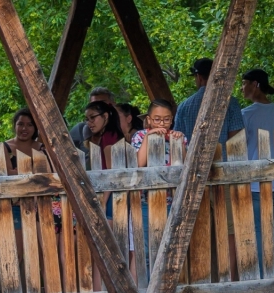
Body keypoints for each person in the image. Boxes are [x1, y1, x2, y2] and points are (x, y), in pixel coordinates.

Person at [241, 68, 274, 278]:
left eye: (244, 83)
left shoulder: (246, 114)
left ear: (256, 85)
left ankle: (265, 276)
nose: (242, 88)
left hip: (255, 184)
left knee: (260, 232)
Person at [131, 100, 186, 269]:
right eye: (157, 119)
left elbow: (187, 165)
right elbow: (139, 163)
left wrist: (178, 143)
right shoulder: (140, 136)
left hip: (173, 201)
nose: (162, 123)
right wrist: (149, 136)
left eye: (166, 119)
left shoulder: (179, 137)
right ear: (148, 119)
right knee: (148, 250)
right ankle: (148, 291)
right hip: (147, 201)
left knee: (173, 249)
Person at [3, 107, 46, 260]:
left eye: (29, 125)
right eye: (20, 124)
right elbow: (6, 175)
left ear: (35, 128)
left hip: (39, 207)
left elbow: (46, 175)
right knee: (16, 254)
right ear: (14, 125)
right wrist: (31, 173)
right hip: (13, 207)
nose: (24, 128)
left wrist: (19, 172)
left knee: (40, 254)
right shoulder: (5, 148)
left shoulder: (41, 148)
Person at [174, 58, 243, 148]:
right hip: (223, 161)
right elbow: (235, 138)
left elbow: (177, 138)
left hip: (192, 161)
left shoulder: (183, 106)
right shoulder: (231, 103)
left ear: (199, 77)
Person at [78, 100, 123, 168]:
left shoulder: (108, 136)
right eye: (87, 119)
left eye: (92, 117)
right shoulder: (110, 134)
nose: (89, 123)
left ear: (105, 116)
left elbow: (112, 171)